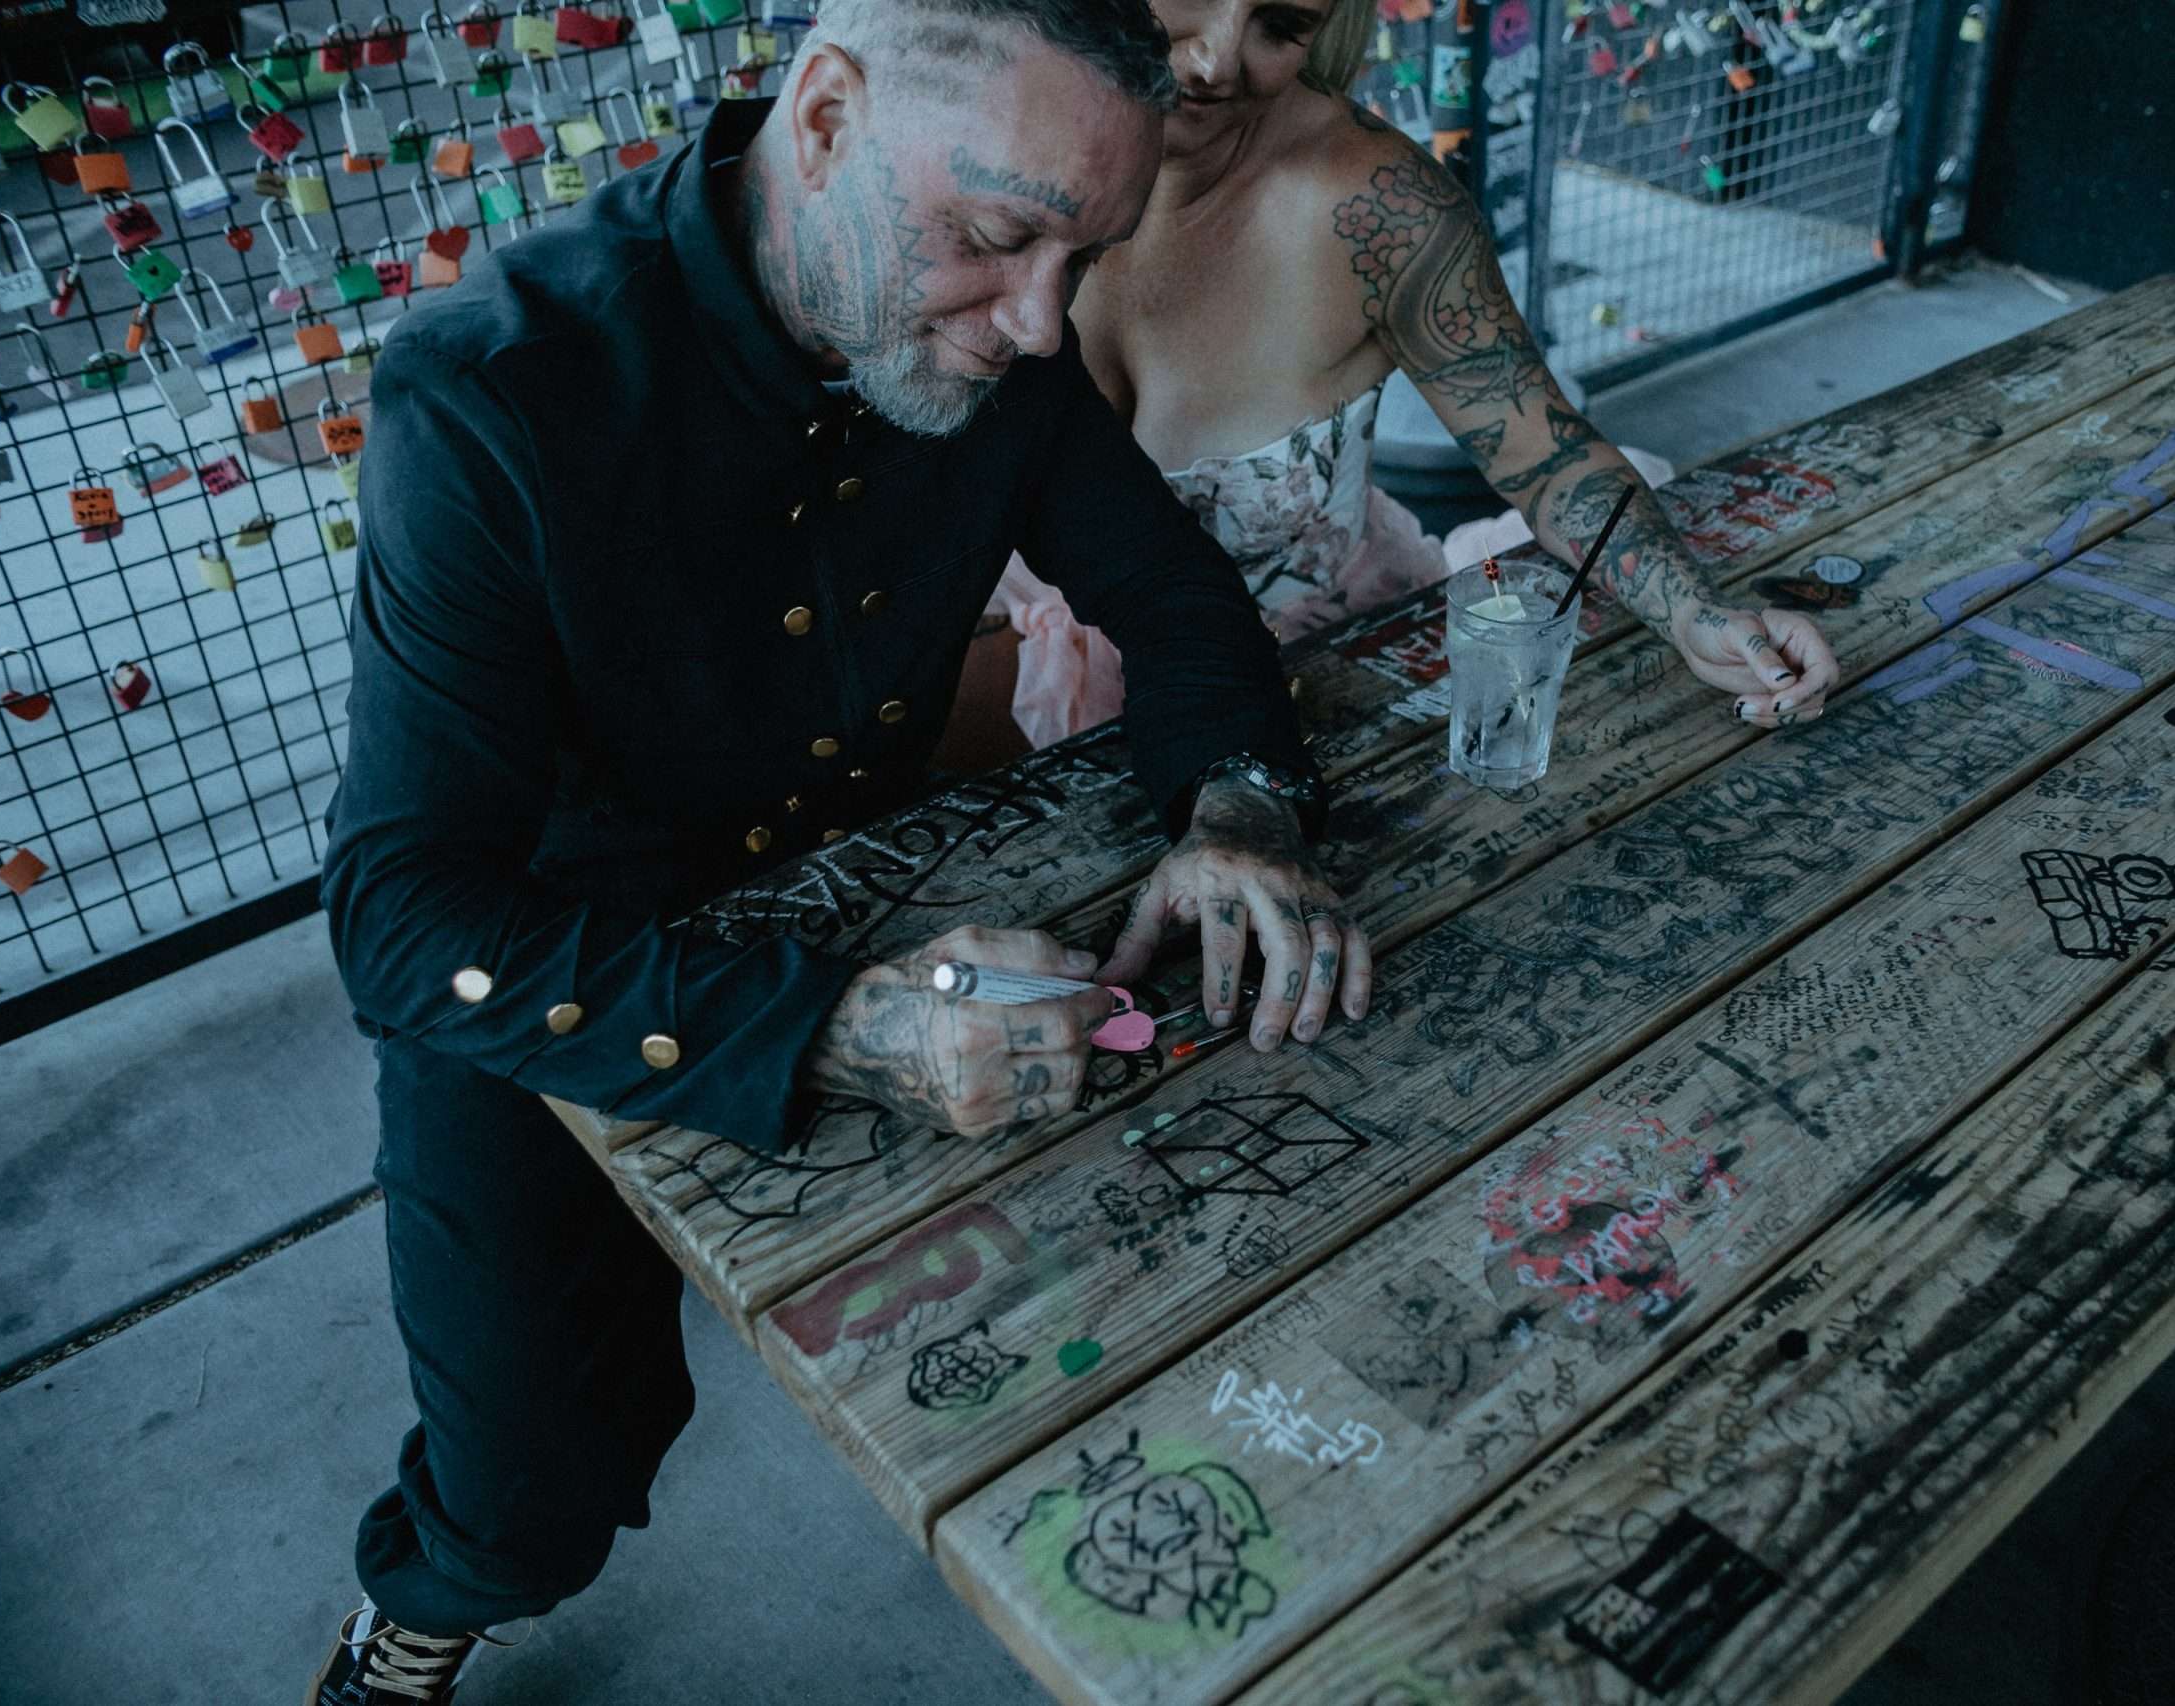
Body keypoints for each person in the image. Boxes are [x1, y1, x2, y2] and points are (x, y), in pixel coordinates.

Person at [306, 3, 1375, 1699]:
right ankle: (421, 1609)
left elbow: (1176, 599)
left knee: (1137, 1306)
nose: (1041, 324)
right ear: (822, 121)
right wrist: (835, 1025)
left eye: (1084, 260)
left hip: (877, 895)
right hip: (555, 960)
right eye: (998, 235)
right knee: (532, 1473)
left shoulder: (1009, 329)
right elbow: (399, 920)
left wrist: (1239, 808)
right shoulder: (497, 384)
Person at [962, 0, 1842, 755]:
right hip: (993, 667)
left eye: (1281, 25)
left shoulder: (1381, 211)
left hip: (1316, 674)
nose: (1217, 62)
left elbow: (1548, 459)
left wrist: (1697, 616)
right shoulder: (958, 144)